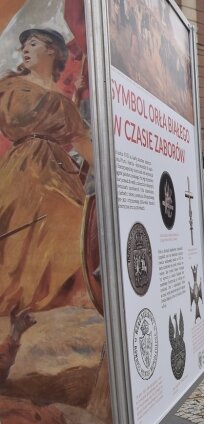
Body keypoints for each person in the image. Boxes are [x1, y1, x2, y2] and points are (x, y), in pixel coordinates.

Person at [0, 28, 93, 314]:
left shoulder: (65, 101)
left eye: (32, 43)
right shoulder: (10, 86)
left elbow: (83, 142)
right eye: (23, 45)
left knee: (77, 223)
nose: (25, 49)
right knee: (49, 217)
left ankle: (65, 299)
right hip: (25, 168)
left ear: (52, 49)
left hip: (59, 170)